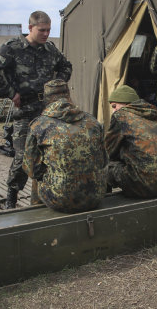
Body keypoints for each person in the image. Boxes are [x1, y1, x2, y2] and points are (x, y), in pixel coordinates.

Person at [0, 11, 72, 209]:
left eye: (49, 30)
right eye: (42, 30)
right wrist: (9, 92)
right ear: (30, 28)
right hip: (25, 111)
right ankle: (11, 199)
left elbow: (66, 66)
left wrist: (56, 87)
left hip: (48, 111)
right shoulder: (13, 47)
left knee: (49, 153)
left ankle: (44, 194)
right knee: (23, 156)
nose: (46, 34)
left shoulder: (50, 49)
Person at [22, 80, 107, 213]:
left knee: (36, 179)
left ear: (45, 98)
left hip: (60, 200)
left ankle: (37, 214)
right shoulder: (92, 121)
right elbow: (103, 161)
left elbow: (31, 170)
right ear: (68, 95)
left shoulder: (39, 125)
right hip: (95, 196)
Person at [105, 85, 157, 198]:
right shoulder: (154, 115)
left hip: (144, 185)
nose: (113, 111)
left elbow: (107, 151)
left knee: (106, 165)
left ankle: (105, 201)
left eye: (115, 106)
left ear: (126, 103)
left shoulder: (121, 116)